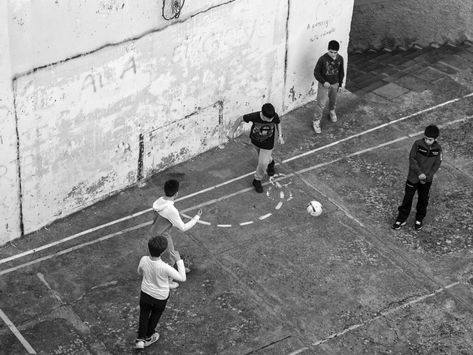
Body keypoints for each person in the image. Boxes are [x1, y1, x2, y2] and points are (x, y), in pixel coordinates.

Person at [135, 236, 186, 349]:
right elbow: (182, 278)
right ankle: (149, 336)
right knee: (155, 315)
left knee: (143, 314)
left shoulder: (143, 259)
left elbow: (139, 272)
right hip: (160, 297)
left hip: (145, 293)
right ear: (163, 252)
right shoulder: (165, 267)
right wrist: (179, 260)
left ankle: (140, 340)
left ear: (149, 248)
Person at [150, 179, 201, 288]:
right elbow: (183, 227)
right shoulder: (171, 210)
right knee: (172, 256)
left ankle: (166, 270)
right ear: (176, 193)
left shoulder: (159, 201)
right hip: (163, 236)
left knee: (160, 254)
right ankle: (168, 280)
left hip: (154, 231)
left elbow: (165, 216)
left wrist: (177, 216)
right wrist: (196, 218)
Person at [392, 125, 442, 231]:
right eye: (426, 138)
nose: (428, 141)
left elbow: (437, 164)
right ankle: (401, 219)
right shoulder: (417, 144)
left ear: (435, 139)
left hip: (426, 180)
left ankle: (419, 219)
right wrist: (419, 173)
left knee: (423, 200)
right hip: (413, 177)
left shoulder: (438, 149)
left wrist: (427, 176)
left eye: (431, 140)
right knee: (407, 198)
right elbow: (412, 159)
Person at [228, 103, 284, 193]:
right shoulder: (255, 116)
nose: (271, 120)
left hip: (268, 144)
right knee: (265, 160)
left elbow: (278, 123)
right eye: (268, 118)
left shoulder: (274, 116)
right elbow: (240, 119)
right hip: (255, 142)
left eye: (272, 118)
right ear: (262, 114)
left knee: (262, 163)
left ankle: (257, 180)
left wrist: (280, 136)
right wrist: (232, 131)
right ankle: (271, 162)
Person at [312, 40, 345, 134]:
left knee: (333, 100)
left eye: (335, 52)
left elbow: (341, 72)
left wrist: (340, 84)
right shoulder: (322, 59)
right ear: (328, 50)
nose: (333, 54)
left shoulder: (340, 59)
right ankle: (316, 121)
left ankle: (332, 111)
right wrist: (323, 81)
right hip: (324, 85)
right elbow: (316, 72)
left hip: (335, 84)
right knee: (321, 104)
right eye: (331, 52)